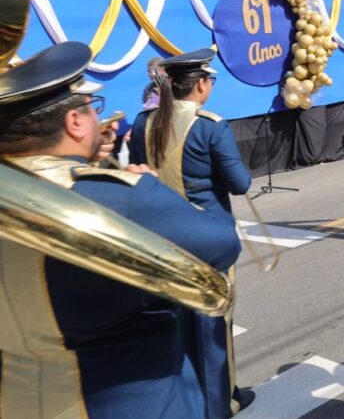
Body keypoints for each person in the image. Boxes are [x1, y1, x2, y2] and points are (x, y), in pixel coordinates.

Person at [0, 41, 241, 418]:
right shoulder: (123, 196)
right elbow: (224, 241)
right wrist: (151, 187)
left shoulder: (144, 123)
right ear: (74, 121)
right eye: (92, 108)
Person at [127, 48, 254, 417]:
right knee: (213, 321)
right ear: (200, 85)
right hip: (207, 239)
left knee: (173, 320)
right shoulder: (210, 125)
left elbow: (137, 172)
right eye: (210, 80)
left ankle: (186, 400)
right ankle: (222, 400)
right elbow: (240, 184)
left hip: (159, 237)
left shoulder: (144, 121)